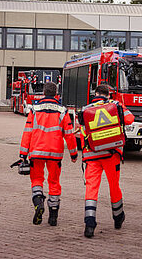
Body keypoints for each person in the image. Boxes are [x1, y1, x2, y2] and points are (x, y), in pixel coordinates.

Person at [77, 84, 134, 238]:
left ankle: (89, 223)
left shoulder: (85, 109)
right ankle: (118, 217)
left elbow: (83, 132)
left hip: (92, 156)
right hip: (111, 154)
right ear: (108, 95)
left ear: (95, 94)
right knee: (114, 186)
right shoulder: (115, 105)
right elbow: (130, 119)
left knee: (91, 189)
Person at [18, 82, 78, 226]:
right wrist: (73, 153)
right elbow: (69, 134)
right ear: (56, 93)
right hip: (55, 154)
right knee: (54, 182)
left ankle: (38, 202)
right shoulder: (62, 111)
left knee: (37, 180)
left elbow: (27, 132)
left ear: (44, 92)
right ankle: (53, 216)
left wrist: (23, 154)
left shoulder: (35, 109)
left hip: (36, 152)